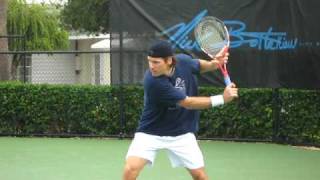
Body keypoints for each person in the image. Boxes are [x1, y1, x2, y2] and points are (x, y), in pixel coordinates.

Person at [122, 40, 238, 180]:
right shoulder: (153, 82)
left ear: (169, 60)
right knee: (130, 169)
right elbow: (187, 102)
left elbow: (200, 66)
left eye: (156, 62)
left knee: (200, 176)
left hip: (181, 132)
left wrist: (214, 63)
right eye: (150, 61)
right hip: (151, 131)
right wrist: (222, 99)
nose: (151, 67)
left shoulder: (183, 61)